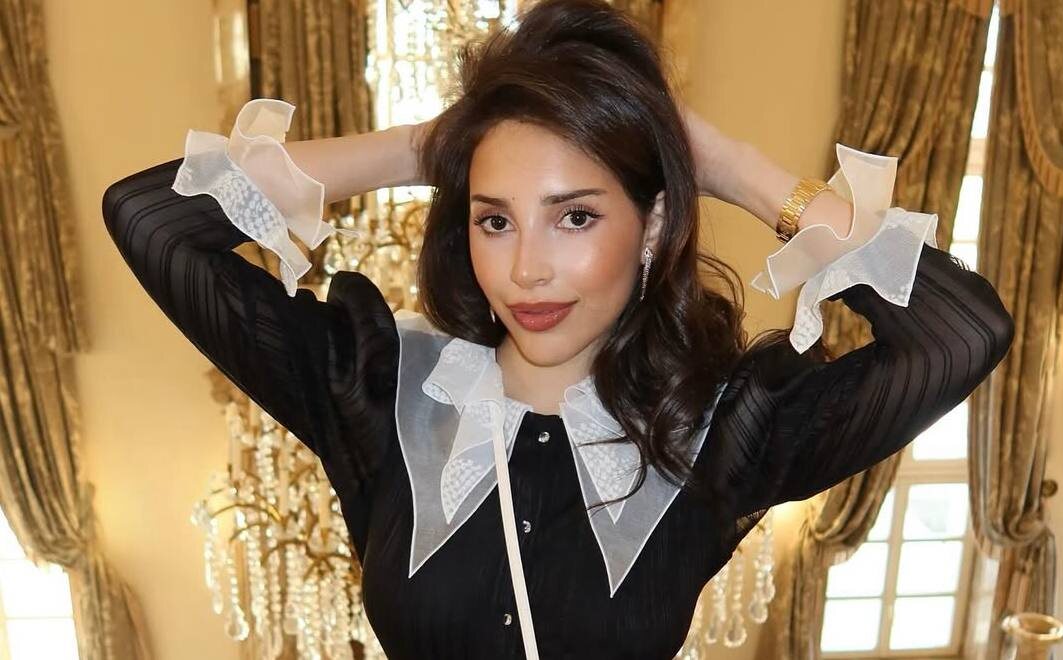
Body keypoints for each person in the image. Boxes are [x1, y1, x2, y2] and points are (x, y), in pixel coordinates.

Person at [101, 0, 1015, 657]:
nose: (526, 269)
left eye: (575, 216)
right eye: (495, 219)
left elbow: (961, 332)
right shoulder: (379, 389)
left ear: (652, 226)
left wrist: (726, 166)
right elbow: (150, 219)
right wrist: (428, 145)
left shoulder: (719, 432)